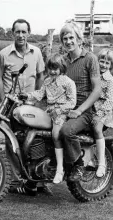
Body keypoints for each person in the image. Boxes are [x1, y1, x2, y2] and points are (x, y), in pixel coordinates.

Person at [0, 19, 52, 195]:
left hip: (30, 105)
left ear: (29, 33)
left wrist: (36, 98)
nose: (21, 35)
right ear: (13, 33)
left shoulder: (36, 53)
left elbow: (41, 75)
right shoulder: (4, 53)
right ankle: (15, 180)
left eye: (24, 32)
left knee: (35, 140)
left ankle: (37, 181)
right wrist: (3, 97)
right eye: (17, 32)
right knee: (10, 140)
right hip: (10, 105)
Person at [23, 53, 76, 183]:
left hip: (61, 113)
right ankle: (37, 161)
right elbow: (39, 94)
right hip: (49, 112)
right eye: (50, 68)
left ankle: (59, 169)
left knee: (55, 134)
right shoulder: (47, 81)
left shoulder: (68, 82)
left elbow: (72, 102)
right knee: (34, 128)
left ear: (62, 68)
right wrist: (26, 96)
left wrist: (59, 109)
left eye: (55, 68)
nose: (52, 71)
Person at [59, 21, 101, 181]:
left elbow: (97, 90)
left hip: (85, 111)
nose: (68, 41)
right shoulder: (62, 61)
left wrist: (79, 110)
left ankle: (79, 164)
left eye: (71, 37)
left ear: (79, 39)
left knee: (66, 131)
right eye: (65, 39)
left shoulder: (90, 58)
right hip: (64, 108)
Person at [92, 49, 113, 177]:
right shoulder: (93, 76)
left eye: (107, 63)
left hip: (103, 112)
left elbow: (109, 102)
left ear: (111, 66)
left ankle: (102, 163)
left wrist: (99, 115)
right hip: (90, 109)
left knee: (96, 129)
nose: (103, 65)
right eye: (102, 61)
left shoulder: (110, 80)